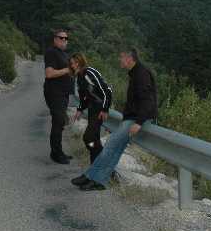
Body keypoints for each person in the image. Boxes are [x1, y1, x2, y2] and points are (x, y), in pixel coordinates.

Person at [71, 48, 157, 191]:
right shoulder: (135, 73)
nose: (119, 60)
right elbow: (84, 96)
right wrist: (80, 108)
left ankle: (90, 176)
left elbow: (147, 101)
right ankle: (99, 180)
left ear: (129, 59)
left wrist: (139, 122)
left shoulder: (142, 74)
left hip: (136, 119)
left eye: (121, 58)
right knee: (114, 150)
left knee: (109, 146)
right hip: (131, 118)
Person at [70, 53, 113, 164]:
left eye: (73, 63)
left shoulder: (89, 73)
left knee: (88, 138)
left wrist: (105, 109)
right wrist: (79, 109)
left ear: (78, 63)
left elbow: (107, 91)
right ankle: (96, 166)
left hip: (99, 108)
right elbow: (83, 97)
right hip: (92, 108)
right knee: (94, 139)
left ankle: (102, 160)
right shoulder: (79, 77)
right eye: (71, 64)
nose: (71, 66)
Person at [43, 29, 74, 164]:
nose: (64, 40)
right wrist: (68, 69)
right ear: (55, 39)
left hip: (63, 93)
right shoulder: (51, 52)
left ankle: (58, 151)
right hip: (55, 93)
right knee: (58, 122)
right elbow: (49, 74)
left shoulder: (64, 54)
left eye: (66, 38)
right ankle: (56, 154)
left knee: (60, 123)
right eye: (61, 38)